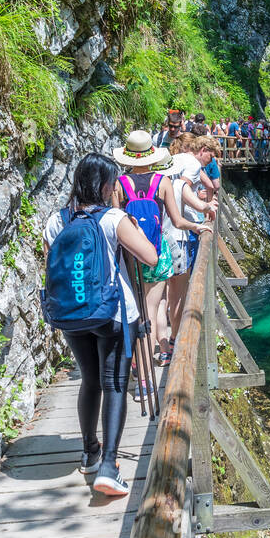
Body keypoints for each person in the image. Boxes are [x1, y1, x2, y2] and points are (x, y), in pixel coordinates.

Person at [43, 153, 158, 497]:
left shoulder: (56, 219)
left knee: (90, 381)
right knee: (115, 384)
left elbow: (53, 266)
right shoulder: (114, 218)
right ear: (107, 186)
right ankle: (110, 465)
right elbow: (150, 257)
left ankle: (90, 451)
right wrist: (134, 231)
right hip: (114, 314)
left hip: (72, 314)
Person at [112, 130, 197, 402]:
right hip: (157, 254)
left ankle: (138, 373)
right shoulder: (162, 182)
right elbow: (178, 220)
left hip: (130, 254)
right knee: (151, 311)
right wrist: (199, 224)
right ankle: (147, 383)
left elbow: (116, 222)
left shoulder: (118, 183)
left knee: (137, 315)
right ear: (151, 155)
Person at [157, 145, 204, 365]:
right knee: (176, 295)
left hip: (150, 244)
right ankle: (174, 339)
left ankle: (162, 346)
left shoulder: (138, 184)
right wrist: (199, 222)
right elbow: (195, 209)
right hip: (176, 242)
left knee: (156, 300)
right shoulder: (176, 184)